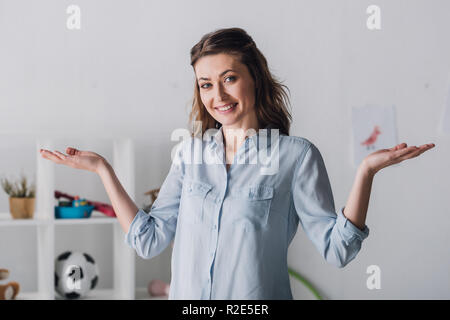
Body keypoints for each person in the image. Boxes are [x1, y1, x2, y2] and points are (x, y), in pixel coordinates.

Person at [39, 27, 435, 299]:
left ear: (255, 79)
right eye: (206, 84)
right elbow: (148, 239)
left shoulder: (295, 157)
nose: (218, 95)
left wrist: (366, 172)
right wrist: (103, 171)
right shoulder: (190, 155)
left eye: (229, 78)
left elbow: (338, 250)